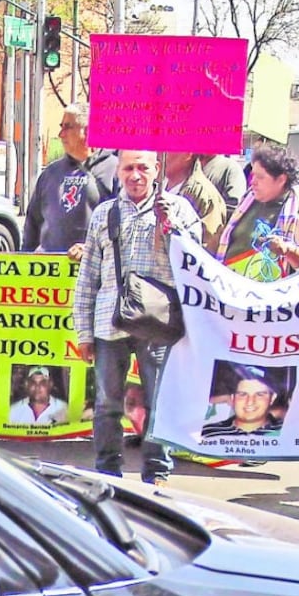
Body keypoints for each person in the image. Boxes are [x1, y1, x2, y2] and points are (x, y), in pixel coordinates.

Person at [73, 149, 202, 486]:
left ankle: (157, 473)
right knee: (107, 404)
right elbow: (88, 276)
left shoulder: (180, 210)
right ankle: (107, 472)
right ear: (118, 172)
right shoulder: (104, 214)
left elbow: (195, 263)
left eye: (143, 168)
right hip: (109, 322)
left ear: (156, 169)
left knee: (159, 402)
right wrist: (83, 332)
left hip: (158, 323)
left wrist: (172, 227)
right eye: (128, 168)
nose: (135, 175)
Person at [22, 102, 117, 261]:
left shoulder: (115, 170)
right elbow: (32, 225)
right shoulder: (50, 174)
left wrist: (92, 248)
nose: (61, 134)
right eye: (61, 127)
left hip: (94, 269)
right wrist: (26, 260)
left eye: (67, 127)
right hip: (52, 271)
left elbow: (124, 226)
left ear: (88, 130)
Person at [214, 145, 299, 281]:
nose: (253, 182)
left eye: (260, 177)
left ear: (281, 180)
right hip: (230, 285)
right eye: (253, 175)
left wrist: (288, 250)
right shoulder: (247, 202)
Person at [162, 152, 229, 254]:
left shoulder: (204, 195)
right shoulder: (157, 186)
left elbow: (207, 248)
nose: (160, 154)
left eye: (168, 150)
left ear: (188, 154)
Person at [201, 365, 284, 437]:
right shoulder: (208, 433)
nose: (250, 402)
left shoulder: (286, 432)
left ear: (272, 398)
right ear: (233, 398)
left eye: (259, 394)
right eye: (243, 394)